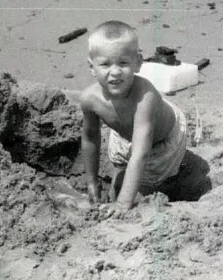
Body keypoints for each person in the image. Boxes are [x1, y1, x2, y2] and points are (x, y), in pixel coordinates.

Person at [79, 21, 189, 216]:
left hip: (163, 139)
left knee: (143, 191)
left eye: (123, 63)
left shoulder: (145, 98)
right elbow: (90, 139)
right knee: (118, 181)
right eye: (105, 64)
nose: (115, 72)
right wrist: (91, 183)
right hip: (124, 133)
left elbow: (140, 154)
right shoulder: (90, 99)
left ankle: (175, 180)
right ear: (92, 67)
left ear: (138, 63)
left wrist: (123, 204)